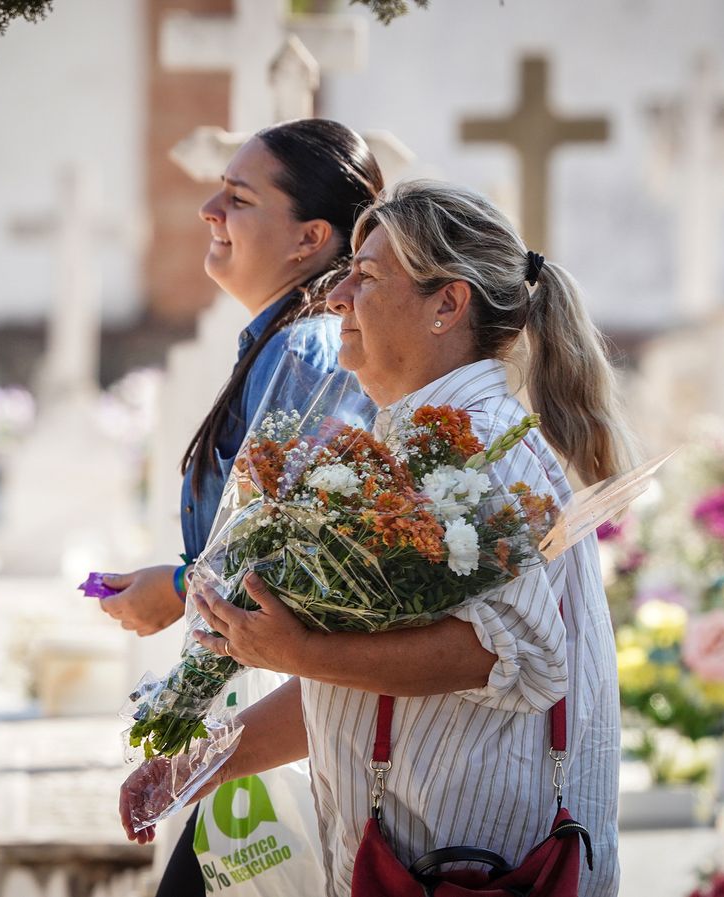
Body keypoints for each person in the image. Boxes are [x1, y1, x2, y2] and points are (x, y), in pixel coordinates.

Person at [120, 180, 631, 897]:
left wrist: (298, 649)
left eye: (366, 276)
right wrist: (200, 761)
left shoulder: (478, 445)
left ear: (446, 305)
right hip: (418, 866)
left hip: (475, 871)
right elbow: (351, 675)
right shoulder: (423, 441)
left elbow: (513, 649)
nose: (336, 297)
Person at [99, 118, 384, 896]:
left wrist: (181, 584)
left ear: (309, 238)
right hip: (253, 696)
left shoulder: (306, 350)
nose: (209, 211)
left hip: (281, 706)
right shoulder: (279, 342)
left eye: (239, 197)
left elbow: (298, 554)